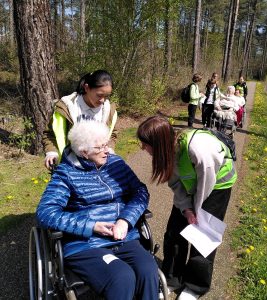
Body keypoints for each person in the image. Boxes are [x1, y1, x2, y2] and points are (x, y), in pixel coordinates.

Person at [37, 120, 159, 300]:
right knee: (121, 276)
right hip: (86, 244)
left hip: (124, 235)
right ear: (84, 152)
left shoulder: (116, 162)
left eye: (106, 144)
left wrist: (125, 220)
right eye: (99, 148)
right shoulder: (66, 174)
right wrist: (91, 226)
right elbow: (45, 213)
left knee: (148, 269)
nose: (106, 150)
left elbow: (140, 191)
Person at [137, 115, 237, 300]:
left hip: (216, 186)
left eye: (145, 144)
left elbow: (206, 185)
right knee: (174, 232)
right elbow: (175, 184)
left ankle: (195, 286)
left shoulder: (198, 149)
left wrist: (197, 212)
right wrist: (185, 209)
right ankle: (172, 278)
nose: (143, 148)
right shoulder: (167, 152)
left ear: (158, 142)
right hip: (192, 184)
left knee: (203, 237)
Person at [43, 70, 118, 170]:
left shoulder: (109, 111)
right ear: (87, 88)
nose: (103, 100)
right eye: (99, 95)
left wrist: (109, 149)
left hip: (99, 166)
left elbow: (112, 134)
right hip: (69, 166)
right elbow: (49, 134)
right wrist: (52, 152)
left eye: (107, 96)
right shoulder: (66, 108)